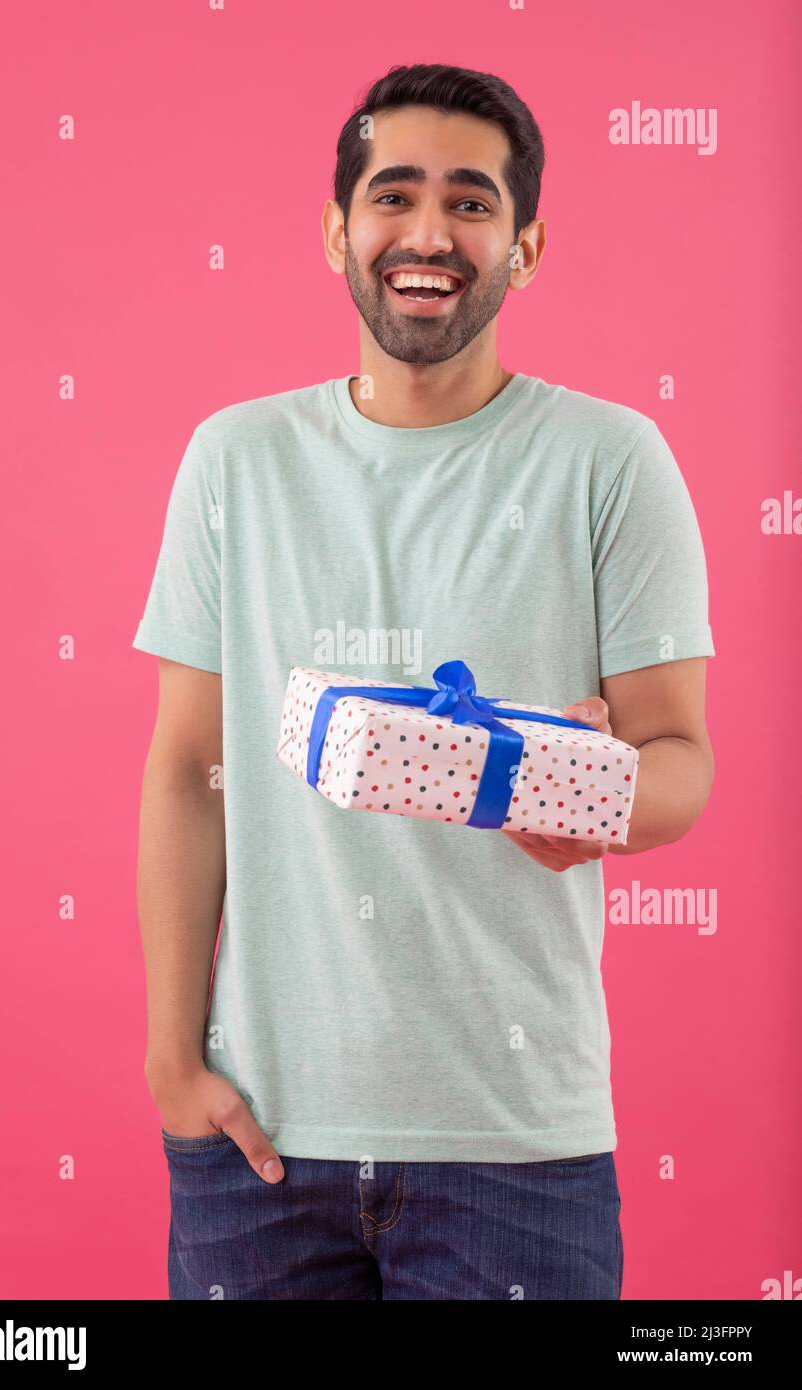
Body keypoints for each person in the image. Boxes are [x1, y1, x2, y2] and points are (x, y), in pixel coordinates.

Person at [132, 63, 715, 1301]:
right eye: (394, 196)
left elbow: (680, 764)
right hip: (261, 1143)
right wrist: (171, 1065)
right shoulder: (235, 459)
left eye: (473, 202)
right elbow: (191, 768)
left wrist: (591, 794)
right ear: (338, 230)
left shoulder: (611, 461)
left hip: (520, 1144)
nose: (429, 233)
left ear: (527, 244)